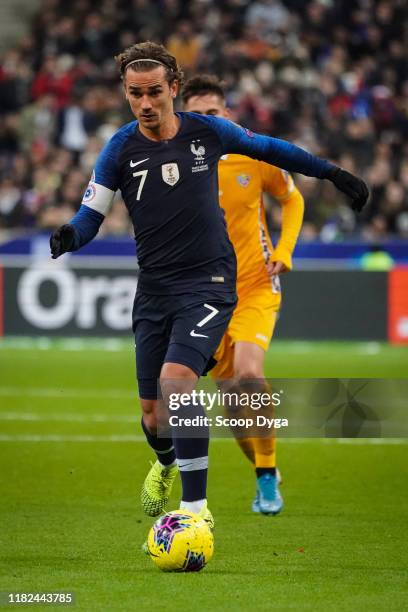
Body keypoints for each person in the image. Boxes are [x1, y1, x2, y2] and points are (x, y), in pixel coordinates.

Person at [49, 41, 369, 530]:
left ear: (173, 88)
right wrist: (71, 234)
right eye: (135, 94)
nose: (146, 104)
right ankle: (167, 461)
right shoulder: (119, 147)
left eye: (155, 92)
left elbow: (270, 148)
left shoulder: (208, 132)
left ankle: (195, 512)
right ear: (126, 93)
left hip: (210, 283)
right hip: (154, 291)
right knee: (155, 415)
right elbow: (92, 213)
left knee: (179, 384)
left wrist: (332, 173)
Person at [182, 74, 304, 515]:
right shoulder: (176, 166)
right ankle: (266, 468)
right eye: (195, 114)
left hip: (255, 285)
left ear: (226, 114)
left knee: (251, 375)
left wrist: (285, 250)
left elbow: (293, 199)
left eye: (211, 113)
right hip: (206, 296)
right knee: (234, 405)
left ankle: (267, 476)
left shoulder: (253, 153)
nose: (204, 121)